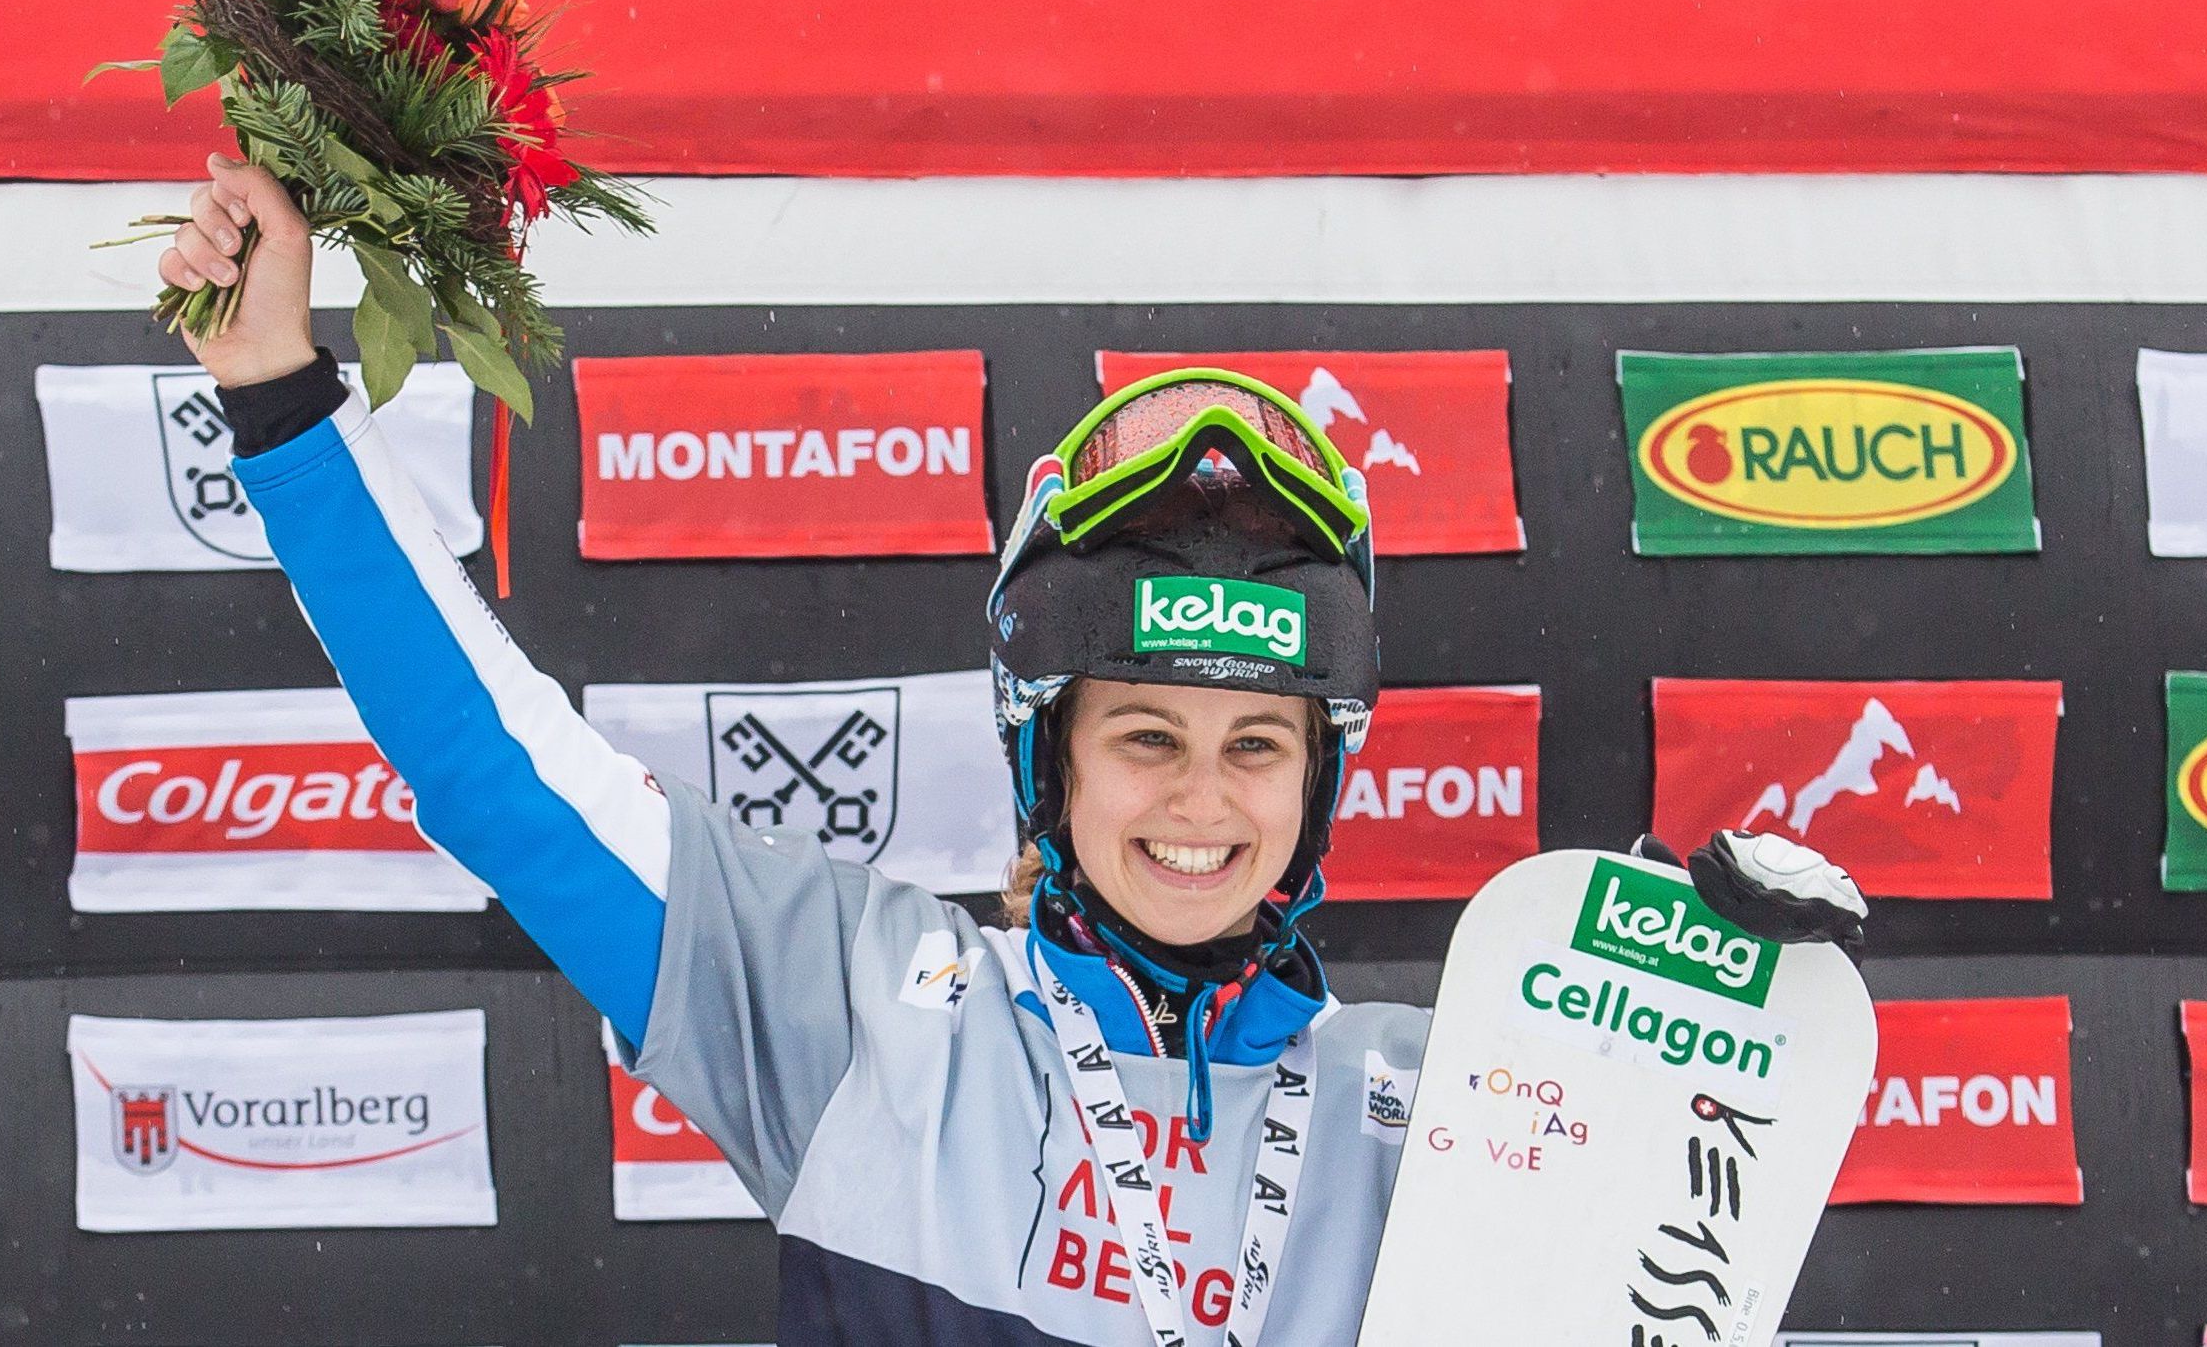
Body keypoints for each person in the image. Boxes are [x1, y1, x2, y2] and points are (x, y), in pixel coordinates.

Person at [158, 153, 1865, 1345]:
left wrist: (1690, 1039)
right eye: (1144, 736)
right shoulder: (864, 1018)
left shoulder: (1448, 1109)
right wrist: (282, 401)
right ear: (1046, 756)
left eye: (1257, 747)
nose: (1201, 804)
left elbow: (1653, 1269)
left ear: (1321, 778)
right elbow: (495, 776)